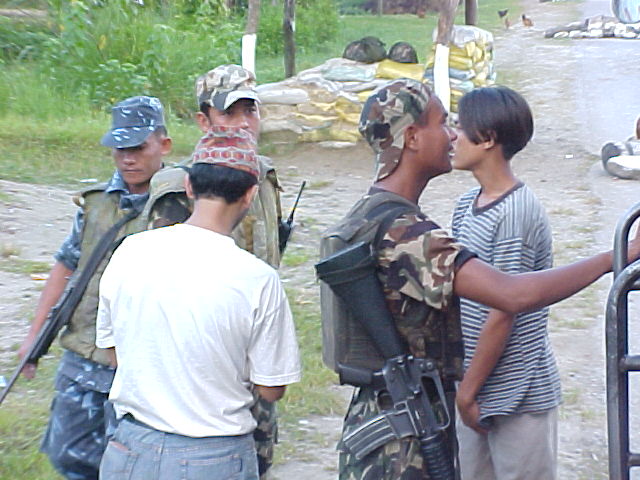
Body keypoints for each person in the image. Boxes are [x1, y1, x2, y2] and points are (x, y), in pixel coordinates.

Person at [334, 78, 640, 479]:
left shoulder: (378, 217)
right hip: (405, 428)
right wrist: (616, 258)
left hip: (424, 407)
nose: (451, 135)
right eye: (443, 123)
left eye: (457, 125)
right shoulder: (404, 231)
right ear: (411, 138)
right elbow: (510, 296)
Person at [96, 126, 301, 480]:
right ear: (250, 194)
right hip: (215, 455)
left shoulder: (131, 250)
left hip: (130, 446)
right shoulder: (258, 279)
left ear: (189, 186)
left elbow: (113, 352)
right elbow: (271, 388)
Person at [17, 96, 172, 479]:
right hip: (84, 352)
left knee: (137, 461)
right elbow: (66, 266)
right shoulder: (96, 204)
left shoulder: (182, 204)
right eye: (120, 149)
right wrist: (35, 337)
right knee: (69, 455)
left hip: (145, 359)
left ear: (164, 145)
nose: (128, 159)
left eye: (138, 148)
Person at [141, 64, 283, 478]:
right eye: (229, 113)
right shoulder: (180, 188)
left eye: (250, 111)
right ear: (203, 121)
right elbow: (161, 289)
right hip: (198, 371)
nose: (243, 123)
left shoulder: (263, 177)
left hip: (252, 357)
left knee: (256, 460)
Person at [450, 86, 559, 479]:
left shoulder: (516, 214)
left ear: (488, 138)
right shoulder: (466, 206)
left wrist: (466, 394)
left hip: (520, 393)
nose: (452, 136)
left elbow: (504, 311)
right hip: (475, 386)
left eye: (460, 127)